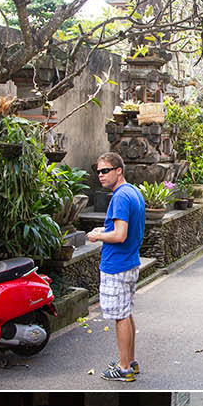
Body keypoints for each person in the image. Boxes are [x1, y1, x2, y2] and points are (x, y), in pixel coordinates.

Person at [88, 153, 146, 383]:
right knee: (126, 313)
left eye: (105, 171)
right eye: (98, 171)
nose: (100, 175)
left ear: (118, 170)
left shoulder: (120, 197)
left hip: (117, 265)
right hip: (129, 262)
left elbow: (120, 235)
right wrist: (103, 230)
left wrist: (97, 235)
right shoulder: (133, 192)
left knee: (120, 316)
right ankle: (129, 361)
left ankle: (123, 368)